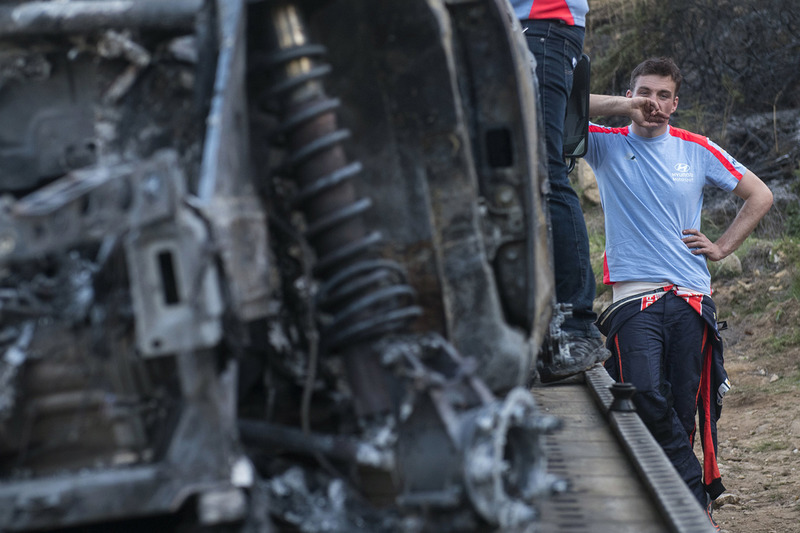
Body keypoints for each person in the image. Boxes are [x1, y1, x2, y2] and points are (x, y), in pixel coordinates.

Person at [586, 57, 773, 528]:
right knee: (645, 392)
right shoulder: (604, 143)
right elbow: (555, 105)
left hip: (691, 297)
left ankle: (678, 510)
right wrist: (622, 107)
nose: (654, 103)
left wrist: (723, 246)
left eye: (663, 95)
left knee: (682, 407)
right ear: (629, 94)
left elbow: (760, 195)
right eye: (644, 92)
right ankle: (695, 492)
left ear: (676, 103)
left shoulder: (696, 148)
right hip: (634, 299)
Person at [512, 0, 610, 382]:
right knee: (516, 178)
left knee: (545, 172)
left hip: (542, 23)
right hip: (515, 28)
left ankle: (575, 327)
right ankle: (537, 327)